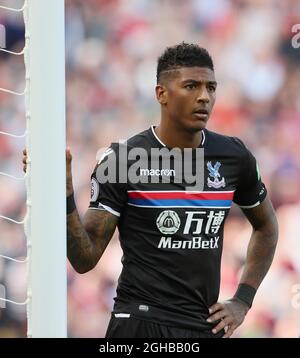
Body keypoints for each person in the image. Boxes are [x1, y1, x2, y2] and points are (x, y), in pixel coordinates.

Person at [23, 42, 278, 338]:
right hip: (138, 324)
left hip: (203, 327)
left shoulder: (233, 156)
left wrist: (243, 300)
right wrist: (61, 193)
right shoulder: (123, 160)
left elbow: (267, 226)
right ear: (162, 94)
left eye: (211, 87)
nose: (204, 97)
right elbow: (84, 258)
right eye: (191, 86)